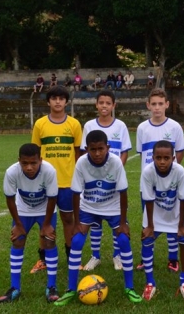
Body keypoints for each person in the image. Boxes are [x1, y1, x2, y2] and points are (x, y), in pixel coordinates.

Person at [54, 130, 142, 305]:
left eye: (100, 149)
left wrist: (123, 222)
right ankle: (71, 289)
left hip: (113, 206)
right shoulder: (81, 162)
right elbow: (76, 193)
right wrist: (78, 222)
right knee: (77, 241)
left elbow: (123, 193)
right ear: (86, 149)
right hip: (89, 206)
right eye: (92, 149)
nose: (97, 153)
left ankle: (129, 287)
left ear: (107, 147)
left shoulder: (115, 162)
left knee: (124, 240)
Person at [0, 143, 59, 303]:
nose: (29, 167)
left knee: (49, 241)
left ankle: (51, 287)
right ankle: (14, 288)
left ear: (41, 160)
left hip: (46, 209)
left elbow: (52, 198)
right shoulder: (11, 172)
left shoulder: (49, 171)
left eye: (33, 163)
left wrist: (46, 225)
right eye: (25, 163)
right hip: (23, 210)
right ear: (19, 161)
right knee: (17, 241)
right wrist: (18, 225)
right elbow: (10, 198)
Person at [31, 86, 82, 274]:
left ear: (66, 102)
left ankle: (72, 259)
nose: (58, 102)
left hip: (67, 182)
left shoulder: (74, 124)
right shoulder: (40, 124)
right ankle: (43, 258)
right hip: (45, 183)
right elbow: (35, 154)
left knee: (69, 219)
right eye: (54, 98)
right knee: (46, 222)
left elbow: (78, 154)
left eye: (61, 98)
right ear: (48, 102)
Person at [79, 90, 132, 272]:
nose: (104, 106)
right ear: (96, 104)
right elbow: (84, 151)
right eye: (101, 102)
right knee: (94, 219)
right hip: (93, 178)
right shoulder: (88, 125)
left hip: (113, 179)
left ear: (113, 105)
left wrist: (116, 171)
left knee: (116, 218)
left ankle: (117, 255)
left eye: (108, 103)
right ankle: (96, 256)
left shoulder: (121, 126)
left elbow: (124, 151)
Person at [136, 88, 184, 271]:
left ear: (167, 104)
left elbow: (180, 152)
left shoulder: (174, 127)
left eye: (160, 104)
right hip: (149, 185)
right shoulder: (142, 128)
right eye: (153, 104)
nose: (157, 108)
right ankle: (145, 257)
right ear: (148, 105)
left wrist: (169, 172)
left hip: (170, 183)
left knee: (172, 218)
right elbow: (142, 154)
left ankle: (173, 259)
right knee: (147, 221)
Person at [140, 140, 184, 300]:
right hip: (153, 215)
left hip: (175, 214)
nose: (162, 162)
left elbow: (183, 198)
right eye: (158, 158)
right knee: (146, 240)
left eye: (166, 158)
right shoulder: (148, 172)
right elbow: (148, 199)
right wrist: (150, 225)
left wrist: (182, 224)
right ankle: (150, 282)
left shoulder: (179, 171)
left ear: (173, 158)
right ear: (153, 158)